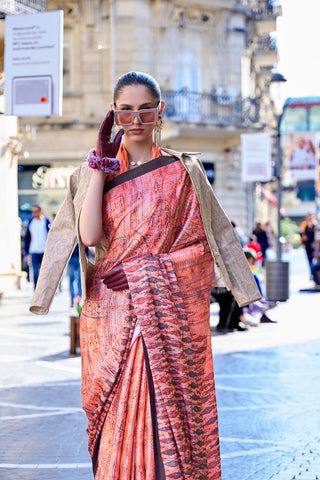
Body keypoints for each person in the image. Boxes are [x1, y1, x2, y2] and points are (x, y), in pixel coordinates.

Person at [29, 71, 260, 480]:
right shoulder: (90, 172)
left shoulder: (182, 172)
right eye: (125, 110)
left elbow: (202, 249)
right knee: (112, 420)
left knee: (162, 416)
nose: (135, 119)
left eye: (144, 109)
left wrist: (143, 271)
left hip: (163, 319)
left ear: (159, 112)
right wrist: (100, 165)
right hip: (109, 314)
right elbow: (88, 236)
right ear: (113, 114)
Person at [24, 204, 50, 288]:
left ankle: (45, 289)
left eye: (36, 211)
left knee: (45, 273)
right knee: (35, 273)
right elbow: (27, 239)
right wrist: (26, 253)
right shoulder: (30, 223)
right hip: (33, 251)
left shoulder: (46, 222)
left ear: (41, 211)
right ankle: (36, 290)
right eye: (33, 212)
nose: (34, 213)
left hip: (44, 251)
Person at [300, 213, 316, 277]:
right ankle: (312, 273)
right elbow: (301, 232)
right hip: (307, 245)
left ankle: (314, 273)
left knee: (314, 259)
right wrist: (303, 236)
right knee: (309, 259)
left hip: (314, 246)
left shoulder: (315, 225)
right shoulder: (305, 225)